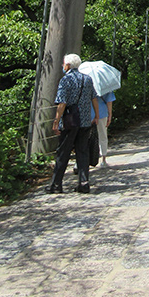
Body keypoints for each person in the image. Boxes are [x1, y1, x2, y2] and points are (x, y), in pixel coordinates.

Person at [47, 53, 99, 194]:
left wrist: (56, 120)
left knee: (63, 152)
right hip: (85, 121)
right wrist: (96, 115)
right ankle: (84, 183)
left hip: (70, 122)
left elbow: (62, 102)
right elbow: (94, 98)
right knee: (82, 152)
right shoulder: (87, 79)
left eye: (64, 64)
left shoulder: (66, 80)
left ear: (68, 65)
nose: (63, 66)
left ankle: (56, 184)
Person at [96, 90, 116, 167]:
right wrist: (110, 115)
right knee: (103, 135)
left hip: (88, 113)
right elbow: (109, 101)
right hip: (102, 112)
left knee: (86, 137)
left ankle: (84, 160)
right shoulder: (106, 85)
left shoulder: (85, 83)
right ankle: (103, 159)